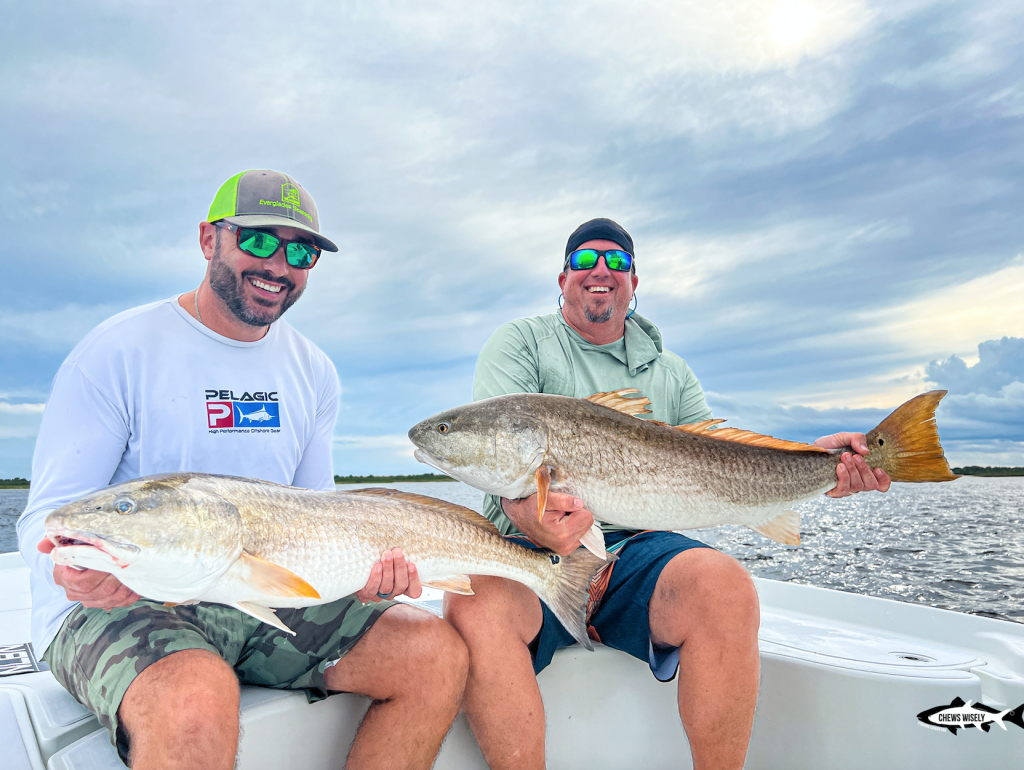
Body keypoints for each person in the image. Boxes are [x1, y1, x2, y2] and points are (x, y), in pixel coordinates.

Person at [17, 170, 467, 770]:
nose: (279, 265)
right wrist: (66, 570)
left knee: (433, 654)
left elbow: (317, 515)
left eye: (301, 251)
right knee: (194, 700)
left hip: (255, 594)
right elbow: (46, 522)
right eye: (257, 241)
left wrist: (362, 573)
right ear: (209, 240)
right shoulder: (117, 352)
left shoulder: (314, 371)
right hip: (123, 603)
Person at [444, 217, 891, 770]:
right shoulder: (522, 343)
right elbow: (507, 457)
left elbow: (723, 458)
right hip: (525, 546)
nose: (600, 271)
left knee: (725, 587)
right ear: (562, 279)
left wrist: (816, 463)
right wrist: (529, 513)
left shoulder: (671, 373)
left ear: (635, 282)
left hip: (636, 549)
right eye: (585, 261)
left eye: (617, 262)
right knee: (473, 603)